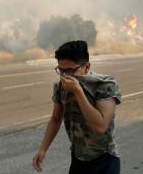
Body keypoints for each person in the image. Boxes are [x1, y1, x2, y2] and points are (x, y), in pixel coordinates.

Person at [32, 40, 122, 174]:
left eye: (70, 70)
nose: (64, 76)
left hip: (104, 159)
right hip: (78, 158)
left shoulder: (104, 85)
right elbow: (56, 119)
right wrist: (43, 149)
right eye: (61, 70)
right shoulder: (61, 87)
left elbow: (100, 127)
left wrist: (78, 91)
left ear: (86, 67)